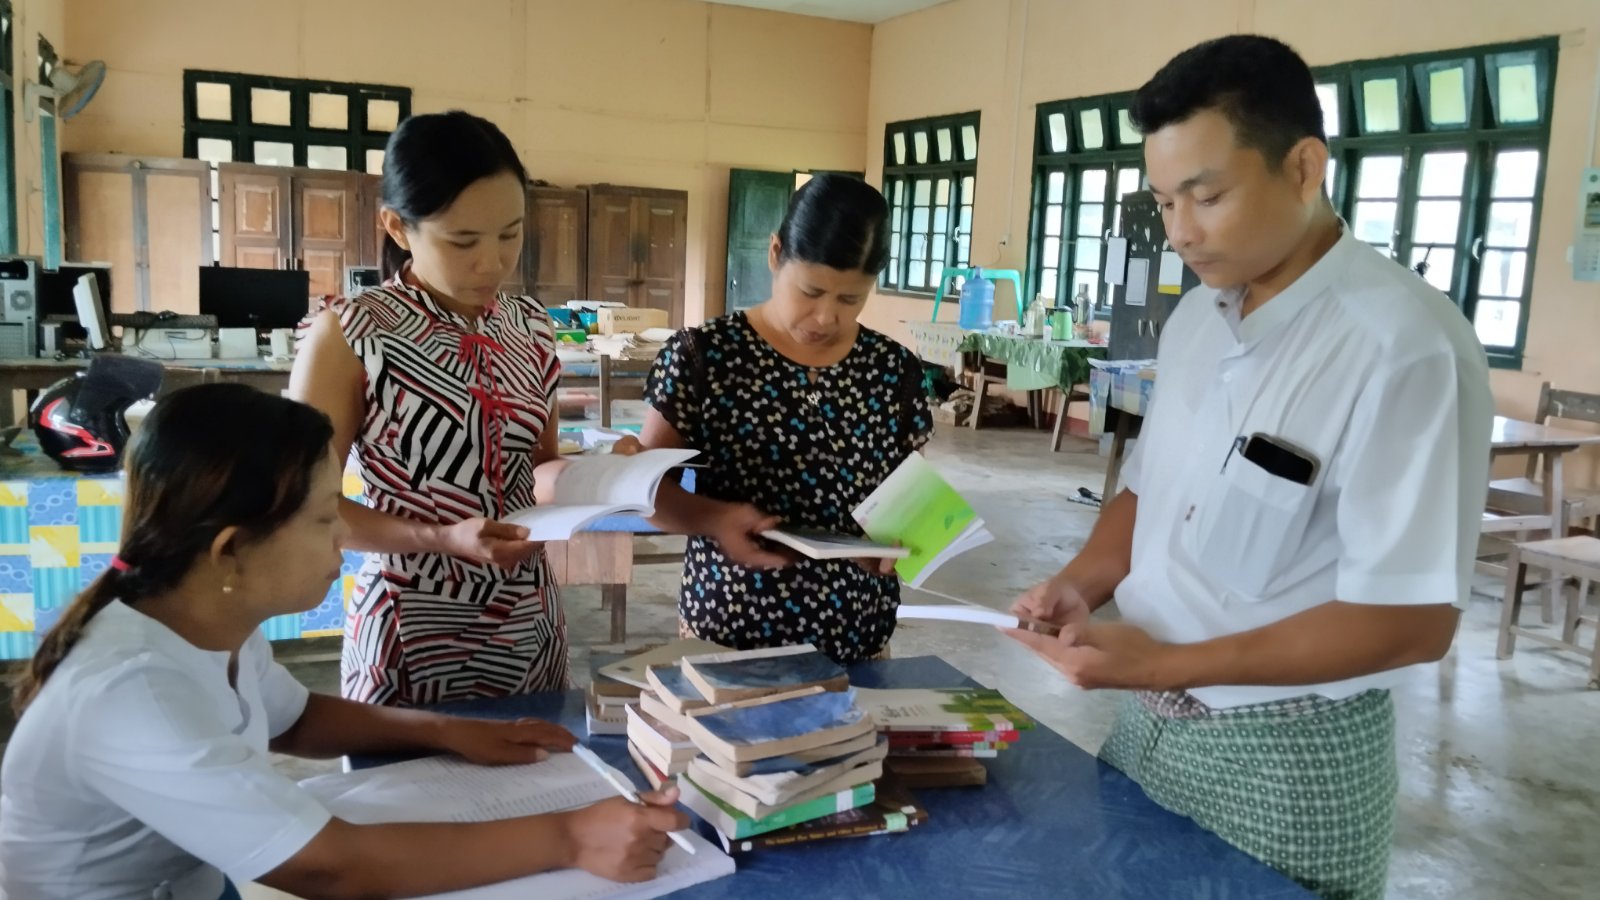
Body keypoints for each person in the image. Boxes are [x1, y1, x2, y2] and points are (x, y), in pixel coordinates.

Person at [1004, 36, 1492, 900]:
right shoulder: (1198, 319)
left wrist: (1160, 663)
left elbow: (1413, 620)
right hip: (1148, 728)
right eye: (1164, 202)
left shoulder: (1405, 346)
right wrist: (1082, 582)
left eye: (1208, 197)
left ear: (1303, 167)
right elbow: (1150, 487)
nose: (1180, 232)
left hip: (1290, 756)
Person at [0, 385, 687, 900]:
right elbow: (332, 867)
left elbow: (295, 718)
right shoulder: (133, 689)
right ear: (231, 551)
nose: (343, 538)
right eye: (324, 517)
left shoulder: (203, 619)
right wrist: (571, 836)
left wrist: (447, 730)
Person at [291, 110, 574, 706]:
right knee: (414, 770)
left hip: (527, 621)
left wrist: (603, 477)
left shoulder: (531, 326)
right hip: (411, 628)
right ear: (397, 227)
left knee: (534, 763)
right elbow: (303, 503)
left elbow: (539, 468)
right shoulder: (352, 333)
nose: (492, 262)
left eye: (510, 234)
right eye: (462, 241)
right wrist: (442, 537)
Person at [641, 174, 932, 663]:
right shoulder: (706, 356)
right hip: (731, 633)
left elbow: (912, 494)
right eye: (810, 291)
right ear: (776, 253)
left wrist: (902, 538)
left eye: (850, 299)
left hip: (858, 638)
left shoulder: (894, 369)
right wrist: (715, 520)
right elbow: (645, 493)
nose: (825, 317)